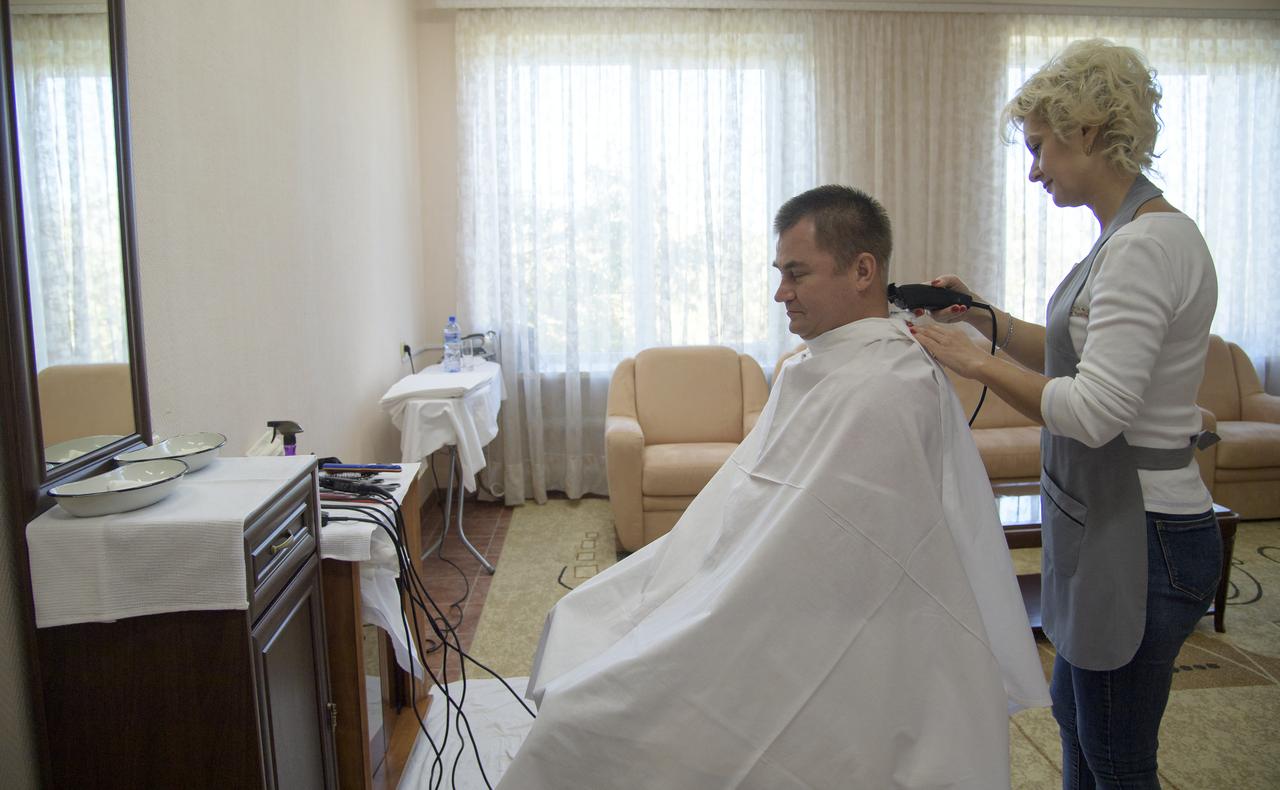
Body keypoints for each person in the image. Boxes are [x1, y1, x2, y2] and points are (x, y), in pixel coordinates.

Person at [497, 185, 1049, 789]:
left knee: (591, 707)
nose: (780, 293)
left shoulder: (888, 381)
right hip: (766, 589)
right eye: (779, 273)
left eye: (796, 274)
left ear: (863, 270)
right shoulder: (821, 366)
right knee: (584, 619)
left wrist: (719, 601)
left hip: (817, 621)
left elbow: (843, 547)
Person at [911, 39, 1220, 790]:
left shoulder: (1146, 247)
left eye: (1041, 146)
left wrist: (974, 362)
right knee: (1078, 721)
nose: (1034, 168)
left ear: (1086, 129)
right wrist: (986, 320)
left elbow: (1095, 412)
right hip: (1112, 524)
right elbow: (1075, 360)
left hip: (1145, 534)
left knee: (1115, 755)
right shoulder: (1126, 240)